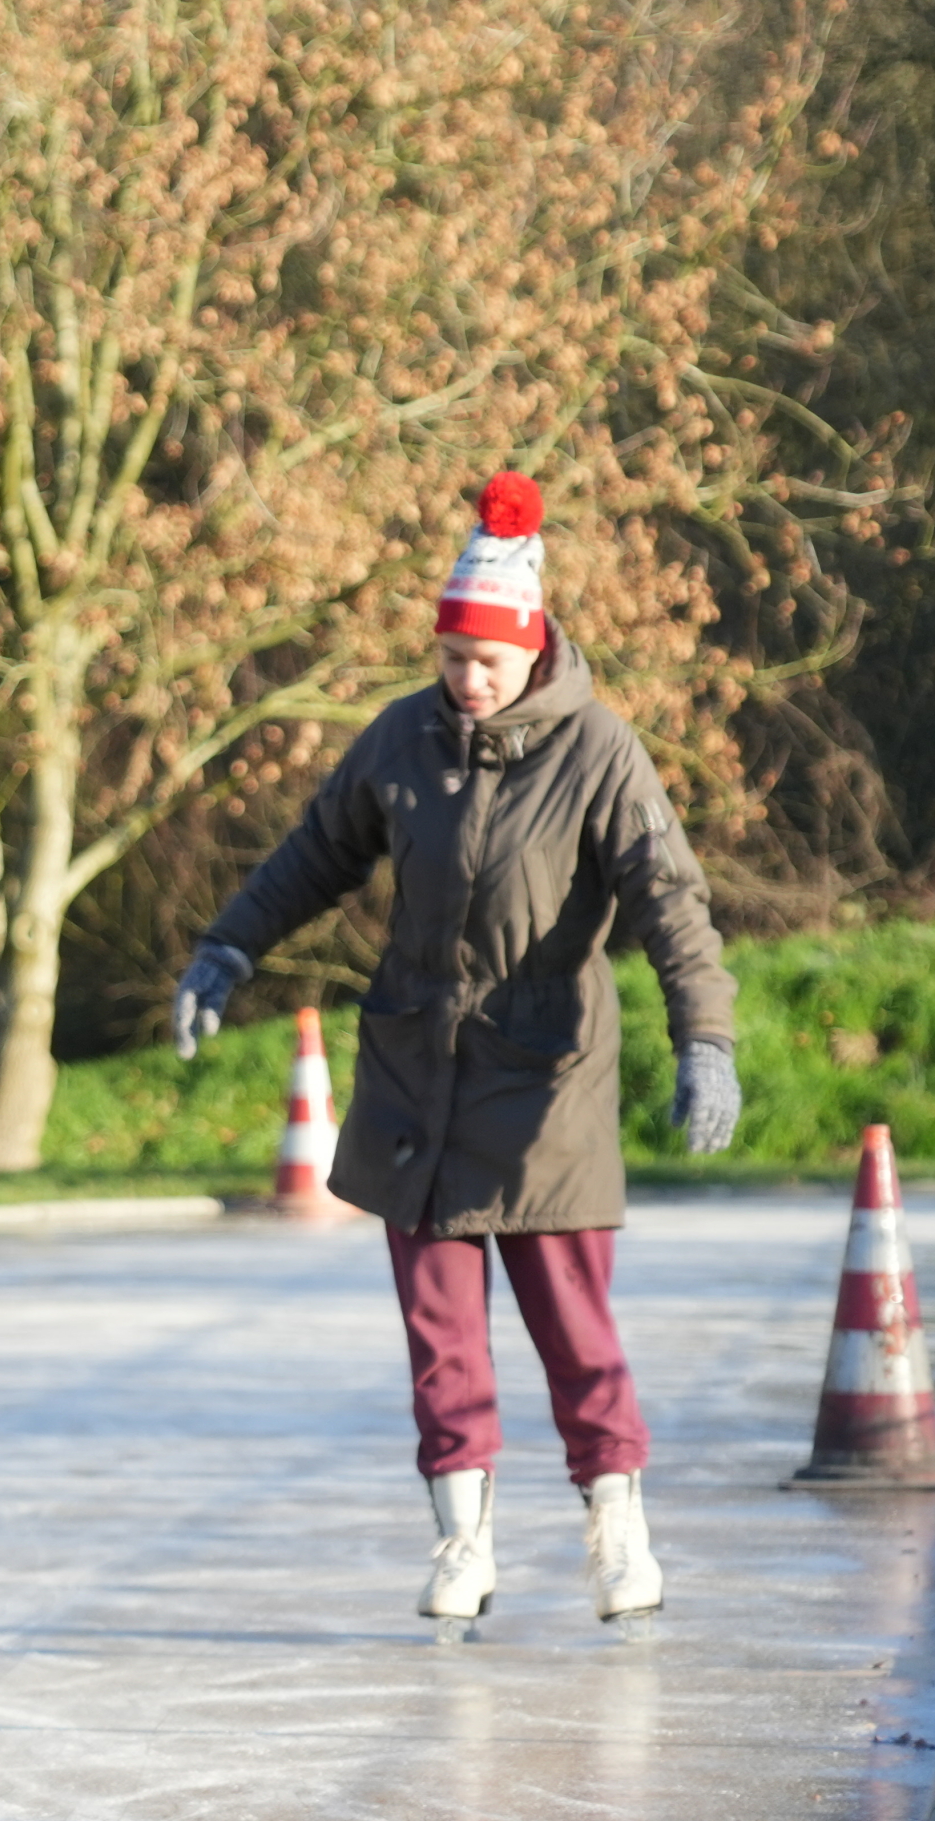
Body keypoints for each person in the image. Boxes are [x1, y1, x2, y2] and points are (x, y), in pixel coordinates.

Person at [171, 473, 741, 1643]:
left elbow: (671, 905)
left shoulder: (597, 753)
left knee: (572, 1328)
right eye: (450, 658)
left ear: (529, 648)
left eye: (484, 661)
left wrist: (707, 1041)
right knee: (440, 1334)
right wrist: (227, 947)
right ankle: (462, 1539)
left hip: (545, 1087)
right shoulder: (403, 738)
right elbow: (311, 856)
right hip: (413, 1079)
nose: (464, 681)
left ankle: (615, 1527)